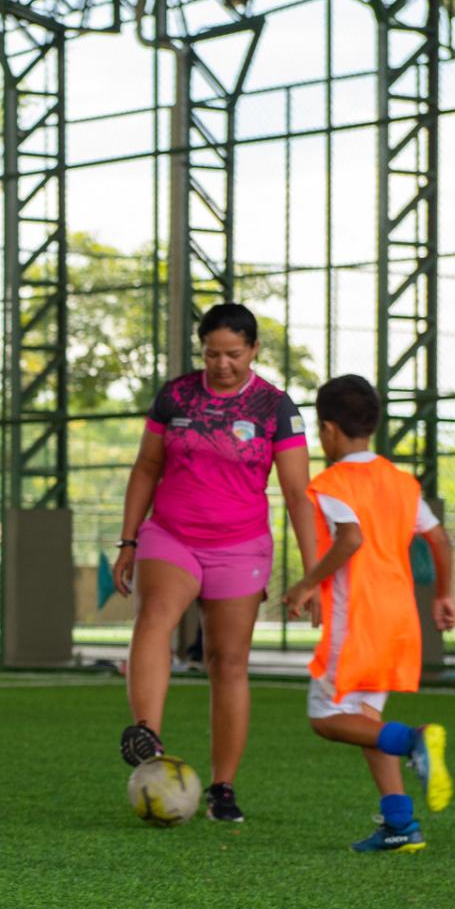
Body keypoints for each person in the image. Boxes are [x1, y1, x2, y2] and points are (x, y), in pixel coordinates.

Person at [112, 303, 320, 822]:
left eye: (233, 354)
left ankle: (223, 787)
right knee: (155, 616)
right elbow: (146, 467)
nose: (221, 364)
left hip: (240, 545)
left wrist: (314, 575)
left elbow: (297, 494)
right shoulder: (176, 395)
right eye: (211, 353)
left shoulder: (275, 407)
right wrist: (129, 540)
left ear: (253, 350)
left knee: (227, 662)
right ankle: (147, 735)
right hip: (172, 534)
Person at [282, 375, 455, 852]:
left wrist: (306, 583)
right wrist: (443, 595)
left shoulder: (333, 482)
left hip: (355, 619)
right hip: (399, 621)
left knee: (324, 718)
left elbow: (351, 539)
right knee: (366, 723)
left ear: (328, 430)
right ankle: (401, 824)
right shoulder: (401, 483)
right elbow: (439, 539)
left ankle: (415, 739)